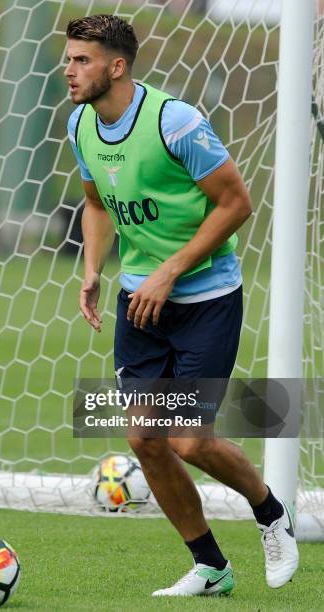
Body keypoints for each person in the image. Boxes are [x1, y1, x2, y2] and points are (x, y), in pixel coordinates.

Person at [65, 14, 299, 597]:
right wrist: (94, 268)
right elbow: (97, 203)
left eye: (81, 60)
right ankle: (210, 566)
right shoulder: (81, 126)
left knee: (189, 438)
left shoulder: (177, 121)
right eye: (68, 59)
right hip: (139, 302)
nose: (68, 71)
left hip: (206, 298)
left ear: (117, 66)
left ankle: (270, 512)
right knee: (145, 439)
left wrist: (169, 271)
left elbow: (236, 203)